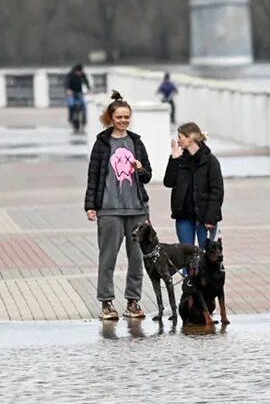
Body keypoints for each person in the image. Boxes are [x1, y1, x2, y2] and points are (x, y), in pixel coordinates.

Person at [84, 91, 153, 321]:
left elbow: (147, 176)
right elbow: (93, 176)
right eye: (119, 117)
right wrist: (90, 206)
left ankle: (133, 302)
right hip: (109, 210)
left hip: (137, 209)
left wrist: (140, 169)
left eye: (126, 117)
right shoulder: (102, 143)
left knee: (137, 259)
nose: (123, 121)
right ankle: (106, 303)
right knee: (108, 258)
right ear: (111, 117)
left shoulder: (136, 141)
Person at [164, 122, 223, 250]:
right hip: (184, 216)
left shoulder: (210, 161)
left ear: (190, 138)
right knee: (185, 256)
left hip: (205, 218)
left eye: (180, 137)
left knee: (205, 256)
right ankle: (188, 272)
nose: (178, 141)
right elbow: (168, 182)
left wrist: (211, 218)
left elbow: (217, 191)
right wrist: (173, 160)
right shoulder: (180, 160)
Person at [65, 64, 89, 132]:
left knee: (83, 106)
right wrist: (68, 90)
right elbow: (67, 83)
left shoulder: (82, 74)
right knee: (71, 105)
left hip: (79, 92)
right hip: (71, 92)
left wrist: (88, 89)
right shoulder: (70, 75)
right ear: (76, 71)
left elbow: (86, 81)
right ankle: (71, 118)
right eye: (79, 72)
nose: (80, 73)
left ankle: (84, 120)